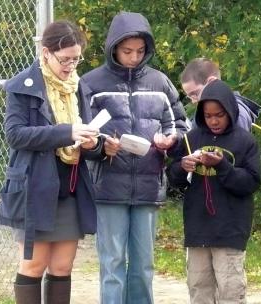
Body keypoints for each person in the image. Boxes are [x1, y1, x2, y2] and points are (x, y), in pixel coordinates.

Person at [80, 12, 188, 304]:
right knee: (112, 265)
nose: (134, 57)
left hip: (149, 186)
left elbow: (181, 125)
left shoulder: (160, 83)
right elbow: (78, 134)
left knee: (143, 266)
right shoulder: (90, 83)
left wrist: (171, 140)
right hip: (107, 187)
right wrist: (102, 147)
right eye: (127, 51)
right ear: (113, 47)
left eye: (140, 51)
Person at [0, 21, 101, 304]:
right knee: (33, 266)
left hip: (70, 188)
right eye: (64, 59)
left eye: (76, 59)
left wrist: (96, 144)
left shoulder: (80, 86)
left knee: (62, 267)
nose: (70, 65)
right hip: (34, 189)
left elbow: (87, 135)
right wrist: (66, 133)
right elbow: (15, 135)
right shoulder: (22, 85)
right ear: (45, 53)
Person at [167, 79, 261, 303]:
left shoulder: (245, 140)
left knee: (230, 290)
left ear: (230, 110)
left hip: (230, 229)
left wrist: (221, 166)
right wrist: (182, 167)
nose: (214, 121)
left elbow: (251, 182)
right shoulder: (192, 138)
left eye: (219, 114)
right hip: (198, 228)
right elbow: (174, 180)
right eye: (208, 116)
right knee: (199, 289)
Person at [180, 57, 261, 130]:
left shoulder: (237, 114)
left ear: (212, 82)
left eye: (195, 94)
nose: (194, 101)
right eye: (190, 97)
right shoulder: (203, 112)